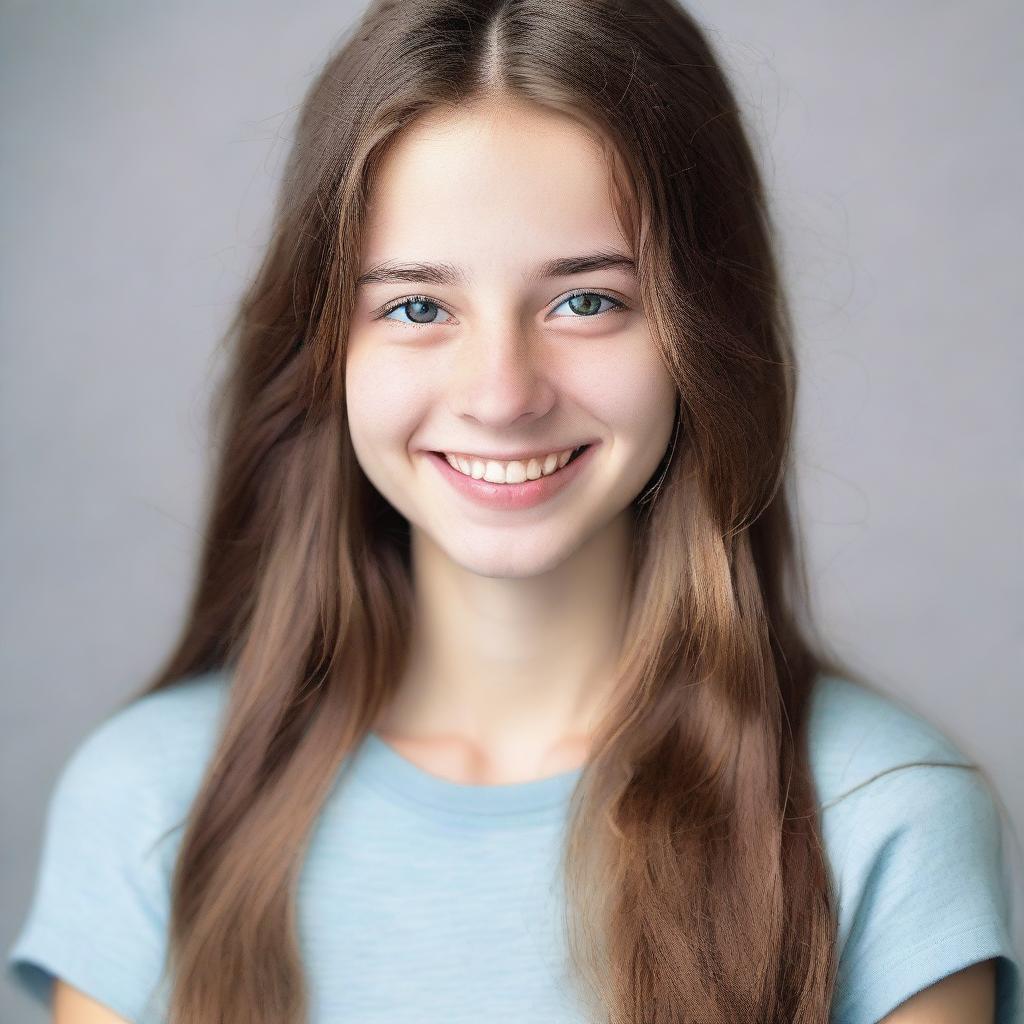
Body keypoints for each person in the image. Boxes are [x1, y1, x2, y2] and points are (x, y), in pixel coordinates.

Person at [6, 1, 1021, 1022]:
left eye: (586, 301)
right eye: (417, 307)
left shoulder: (876, 816)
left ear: (702, 332)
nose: (501, 393)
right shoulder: (150, 805)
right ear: (324, 351)